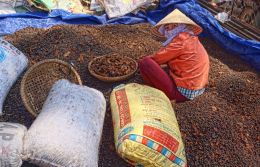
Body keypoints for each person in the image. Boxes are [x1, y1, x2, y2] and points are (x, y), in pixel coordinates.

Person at [139, 9, 209, 103]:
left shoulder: (181, 40)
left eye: (167, 28)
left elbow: (157, 59)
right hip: (197, 89)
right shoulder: (190, 38)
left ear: (176, 26)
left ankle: (152, 89)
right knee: (163, 67)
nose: (166, 32)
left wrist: (143, 62)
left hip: (183, 93)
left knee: (145, 62)